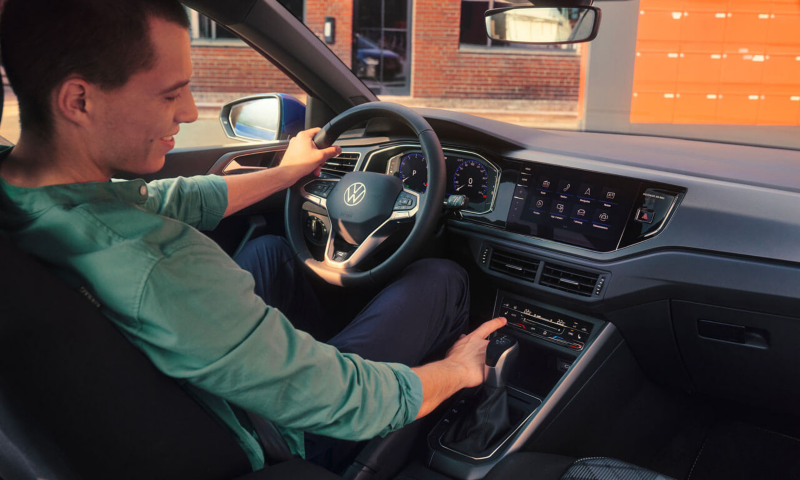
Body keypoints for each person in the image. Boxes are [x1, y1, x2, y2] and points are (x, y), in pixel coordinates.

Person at [0, 0, 506, 472]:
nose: (190, 112)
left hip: (176, 387)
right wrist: (459, 369)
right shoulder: (154, 263)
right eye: (170, 93)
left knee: (273, 253)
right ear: (78, 100)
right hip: (274, 434)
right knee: (441, 279)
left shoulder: (32, 194)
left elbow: (167, 199)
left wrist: (286, 174)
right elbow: (346, 400)